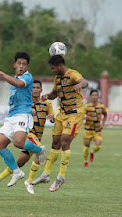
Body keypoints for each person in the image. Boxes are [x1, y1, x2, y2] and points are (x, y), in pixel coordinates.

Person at [0, 52, 46, 188]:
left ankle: (39, 150)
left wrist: (2, 74)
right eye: (19, 63)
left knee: (19, 143)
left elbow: (19, 84)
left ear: (27, 67)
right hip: (11, 117)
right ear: (14, 65)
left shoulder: (27, 77)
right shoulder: (13, 80)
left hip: (23, 115)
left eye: (24, 64)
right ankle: (17, 172)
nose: (21, 66)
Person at [32, 55, 88, 192]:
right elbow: (54, 94)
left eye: (53, 68)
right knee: (55, 142)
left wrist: (79, 85)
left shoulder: (72, 74)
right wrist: (47, 96)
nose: (52, 71)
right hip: (62, 114)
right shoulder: (57, 78)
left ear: (60, 66)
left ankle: (61, 177)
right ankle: (46, 174)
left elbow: (84, 82)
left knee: (64, 142)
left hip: (74, 114)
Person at [0, 80, 55, 194]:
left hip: (37, 137)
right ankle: (30, 182)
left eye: (37, 88)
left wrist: (52, 117)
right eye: (33, 88)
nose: (35, 90)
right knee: (40, 153)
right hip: (27, 135)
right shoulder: (26, 103)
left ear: (41, 90)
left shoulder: (47, 104)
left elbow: (52, 116)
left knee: (20, 162)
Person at [82, 90, 108, 167]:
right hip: (88, 131)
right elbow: (81, 115)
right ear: (90, 97)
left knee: (98, 145)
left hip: (97, 130)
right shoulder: (86, 107)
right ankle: (85, 161)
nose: (94, 97)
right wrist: (85, 117)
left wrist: (103, 124)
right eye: (93, 95)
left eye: (96, 95)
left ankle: (92, 152)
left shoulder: (101, 107)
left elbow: (105, 115)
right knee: (86, 147)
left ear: (98, 97)